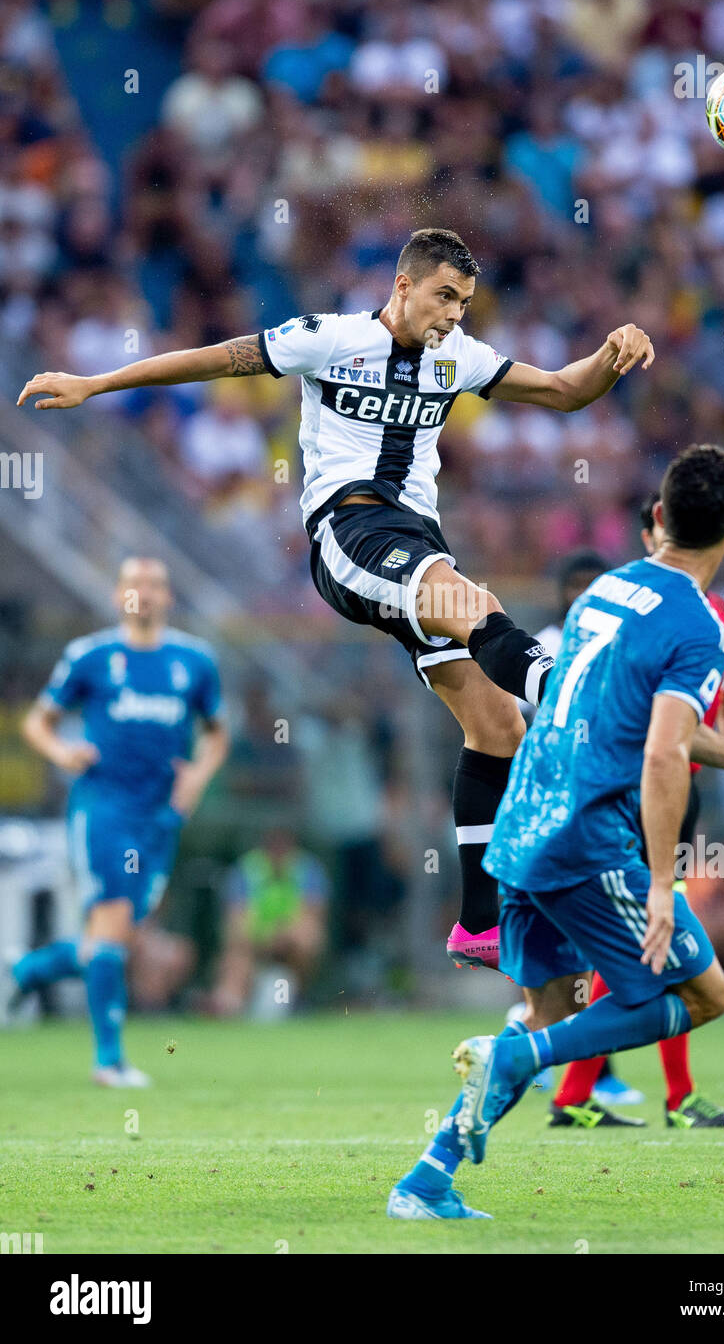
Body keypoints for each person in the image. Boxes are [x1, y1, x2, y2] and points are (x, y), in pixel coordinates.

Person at [17, 226, 656, 973]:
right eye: (444, 296)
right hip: (348, 533)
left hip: (417, 544)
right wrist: (97, 384)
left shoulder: (460, 358)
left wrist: (611, 358)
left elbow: (563, 391)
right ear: (404, 286)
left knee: (496, 726)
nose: (453, 313)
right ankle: (576, 697)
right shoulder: (330, 337)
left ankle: (479, 926)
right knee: (469, 601)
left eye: (465, 301)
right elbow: (215, 360)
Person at [388, 445, 724, 1219]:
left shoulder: (607, 589)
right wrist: (657, 885)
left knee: (549, 1004)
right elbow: (663, 751)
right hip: (588, 841)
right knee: (704, 993)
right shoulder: (700, 628)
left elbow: (660, 727)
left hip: (521, 824)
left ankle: (426, 1179)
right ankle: (520, 1059)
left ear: (656, 519)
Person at [551, 492, 724, 1129]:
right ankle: (642, 1094)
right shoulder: (629, 605)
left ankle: (581, 1094)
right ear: (649, 532)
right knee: (650, 940)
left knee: (647, 941)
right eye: (654, 523)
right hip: (628, 790)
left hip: (680, 790)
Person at [11, 558, 228, 1086]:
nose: (144, 593)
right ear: (118, 595)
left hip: (161, 816)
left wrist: (196, 778)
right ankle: (108, 1061)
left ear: (168, 596)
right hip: (103, 808)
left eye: (155, 584)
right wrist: (62, 754)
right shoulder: (90, 657)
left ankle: (30, 970)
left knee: (118, 937)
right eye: (134, 584)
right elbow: (38, 722)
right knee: (111, 923)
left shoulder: (194, 661)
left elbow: (216, 732)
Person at [209, 829, 328, 1016]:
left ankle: (296, 1000)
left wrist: (282, 936)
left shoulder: (307, 868)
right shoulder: (245, 870)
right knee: (236, 956)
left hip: (288, 947)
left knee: (307, 939)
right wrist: (268, 938)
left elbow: (312, 919)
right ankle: (228, 1005)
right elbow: (235, 925)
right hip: (252, 946)